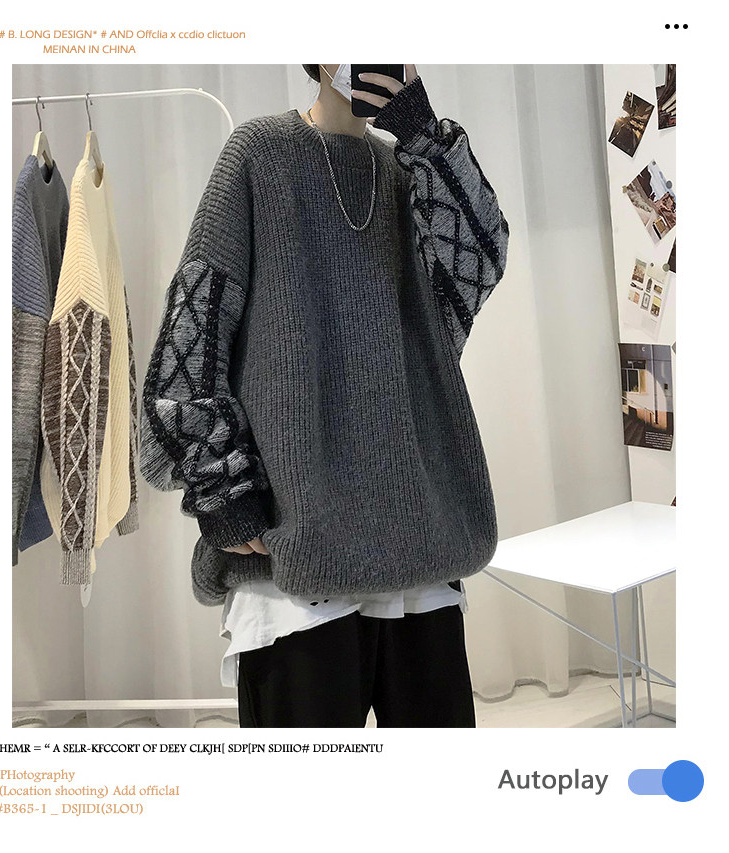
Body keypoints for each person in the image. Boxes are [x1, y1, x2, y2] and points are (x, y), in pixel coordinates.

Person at [140, 64, 510, 727]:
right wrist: (225, 492)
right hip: (295, 561)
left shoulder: (408, 170)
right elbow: (195, 325)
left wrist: (418, 126)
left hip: (421, 551)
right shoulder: (260, 153)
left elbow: (479, 260)